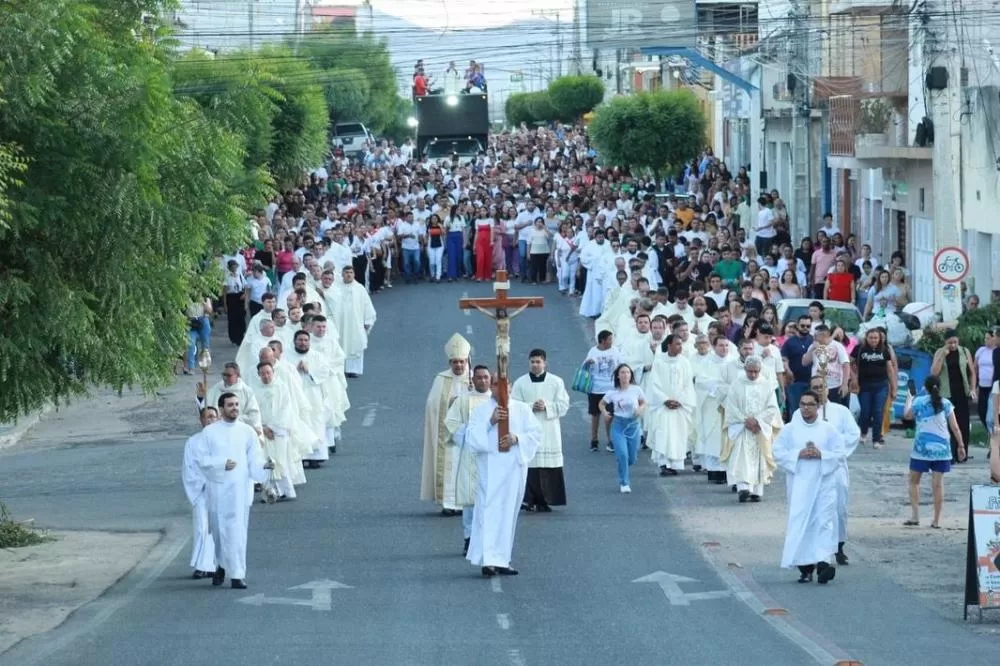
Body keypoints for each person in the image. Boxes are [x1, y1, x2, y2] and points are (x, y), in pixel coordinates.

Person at [194, 393, 274, 589]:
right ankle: (221, 565)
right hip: (218, 490)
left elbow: (254, 460)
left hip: (239, 490)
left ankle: (237, 574)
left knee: (238, 532)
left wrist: (264, 468)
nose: (235, 408)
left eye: (237, 404)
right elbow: (202, 461)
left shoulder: (247, 432)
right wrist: (221, 464)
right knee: (220, 532)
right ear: (221, 409)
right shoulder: (209, 433)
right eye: (230, 405)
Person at [465, 396, 543, 577]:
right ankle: (488, 560)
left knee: (508, 513)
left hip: (513, 469)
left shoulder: (522, 408)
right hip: (490, 468)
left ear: (510, 386)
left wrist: (517, 438)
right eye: (494, 384)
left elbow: (536, 433)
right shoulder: (481, 409)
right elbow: (472, 438)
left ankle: (502, 559)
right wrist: (491, 421)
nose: (499, 388)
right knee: (489, 512)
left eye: (504, 384)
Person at [774, 391, 845, 584]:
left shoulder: (828, 430)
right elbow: (778, 452)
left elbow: (840, 454)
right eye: (802, 404)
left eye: (810, 404)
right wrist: (798, 454)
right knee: (802, 524)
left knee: (823, 522)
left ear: (818, 406)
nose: (805, 408)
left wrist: (822, 455)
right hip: (800, 485)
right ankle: (805, 568)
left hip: (823, 483)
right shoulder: (790, 429)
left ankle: (823, 563)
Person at [803, 376, 860, 566]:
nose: (819, 390)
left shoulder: (841, 412)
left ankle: (839, 546)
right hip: (813, 468)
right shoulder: (804, 413)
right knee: (815, 509)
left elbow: (853, 434)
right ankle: (815, 549)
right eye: (815, 387)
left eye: (822, 387)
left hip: (835, 467)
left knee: (838, 508)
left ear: (828, 389)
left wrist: (831, 449)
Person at [511, 349, 570, 511]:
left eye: (538, 362)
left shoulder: (556, 382)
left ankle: (546, 500)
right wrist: (531, 406)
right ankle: (529, 500)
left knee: (548, 467)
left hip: (549, 428)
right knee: (530, 467)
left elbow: (564, 405)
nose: (535, 365)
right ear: (528, 363)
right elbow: (513, 406)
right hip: (528, 430)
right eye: (532, 362)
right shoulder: (520, 383)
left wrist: (547, 406)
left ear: (545, 363)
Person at [903, 376, 965, 528]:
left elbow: (907, 415)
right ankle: (936, 520)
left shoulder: (919, 402)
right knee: (938, 485)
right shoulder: (946, 403)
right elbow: (955, 427)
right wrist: (961, 445)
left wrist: (910, 398)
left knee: (913, 481)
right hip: (942, 449)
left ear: (925, 386)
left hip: (921, 449)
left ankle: (915, 516)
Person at [422, 333, 473, 516]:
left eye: (461, 362)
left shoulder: (475, 379)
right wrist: (450, 402)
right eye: (455, 362)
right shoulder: (442, 379)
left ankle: (466, 502)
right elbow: (432, 404)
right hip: (449, 432)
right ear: (450, 363)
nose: (458, 365)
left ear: (467, 361)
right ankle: (449, 503)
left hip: (468, 432)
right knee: (450, 467)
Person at [445, 365, 493, 556]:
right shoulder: (463, 401)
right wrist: (470, 434)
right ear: (473, 380)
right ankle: (468, 537)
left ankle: (489, 538)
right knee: (470, 499)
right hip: (470, 454)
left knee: (490, 498)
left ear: (491, 379)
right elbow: (451, 424)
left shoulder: (497, 401)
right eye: (479, 378)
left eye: (486, 377)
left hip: (492, 456)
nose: (482, 381)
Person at [722, 356, 782, 503]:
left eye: (756, 371)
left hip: (759, 428)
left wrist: (757, 421)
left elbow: (772, 407)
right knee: (741, 458)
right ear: (745, 369)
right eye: (750, 371)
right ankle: (743, 488)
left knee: (759, 457)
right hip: (742, 428)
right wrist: (745, 420)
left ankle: (756, 491)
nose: (753, 375)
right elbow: (731, 406)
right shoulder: (737, 384)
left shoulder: (766, 385)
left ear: (760, 370)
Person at [646, 334, 696, 477]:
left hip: (679, 406)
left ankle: (675, 464)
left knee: (677, 435)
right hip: (662, 406)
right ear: (668, 345)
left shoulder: (685, 362)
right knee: (663, 434)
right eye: (677, 344)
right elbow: (654, 384)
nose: (680, 347)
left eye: (681, 344)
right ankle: (664, 464)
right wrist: (665, 400)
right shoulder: (659, 361)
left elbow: (688, 384)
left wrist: (680, 400)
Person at [181, 407, 219, 579]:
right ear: (201, 421)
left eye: (213, 416)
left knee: (217, 529)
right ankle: (201, 565)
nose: (209, 420)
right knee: (202, 528)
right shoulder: (193, 442)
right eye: (206, 417)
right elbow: (188, 469)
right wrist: (202, 483)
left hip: (220, 491)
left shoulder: (223, 440)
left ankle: (216, 565)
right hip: (201, 491)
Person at [599, 364, 647, 493]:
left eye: (627, 372)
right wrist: (604, 413)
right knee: (622, 454)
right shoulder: (612, 392)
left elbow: (643, 402)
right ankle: (624, 482)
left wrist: (640, 409)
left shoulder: (636, 390)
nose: (625, 375)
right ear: (618, 376)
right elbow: (601, 404)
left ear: (630, 375)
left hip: (633, 426)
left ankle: (623, 463)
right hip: (618, 425)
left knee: (631, 458)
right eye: (622, 372)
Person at [930, 330, 976, 463]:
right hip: (946, 393)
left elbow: (972, 372)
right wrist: (943, 356)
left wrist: (973, 388)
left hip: (962, 391)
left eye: (955, 342)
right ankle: (949, 454)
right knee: (949, 425)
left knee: (963, 423)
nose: (953, 345)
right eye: (950, 342)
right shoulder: (940, 352)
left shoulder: (964, 351)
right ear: (945, 342)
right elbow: (934, 373)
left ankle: (962, 453)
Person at [254, 361, 297, 500]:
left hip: (279, 430)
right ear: (258, 375)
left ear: (273, 373)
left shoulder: (282, 388)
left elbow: (285, 410)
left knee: (280, 461)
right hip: (261, 430)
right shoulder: (254, 390)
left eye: (268, 373)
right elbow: (253, 412)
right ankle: (270, 493)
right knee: (265, 462)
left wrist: (272, 427)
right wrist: (262, 427)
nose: (266, 376)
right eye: (262, 373)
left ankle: (286, 491)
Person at [693, 335, 733, 483]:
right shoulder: (707, 363)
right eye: (721, 345)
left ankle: (726, 471)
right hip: (711, 406)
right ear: (714, 347)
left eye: (726, 345)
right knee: (713, 438)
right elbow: (700, 381)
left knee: (726, 438)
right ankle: (713, 471)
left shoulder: (733, 363)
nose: (724, 348)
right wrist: (718, 387)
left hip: (729, 406)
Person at [851, 327, 896, 448]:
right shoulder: (859, 349)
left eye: (876, 338)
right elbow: (850, 363)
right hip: (864, 385)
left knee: (878, 412)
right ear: (866, 338)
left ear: (880, 338)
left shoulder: (884, 349)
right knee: (865, 411)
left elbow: (890, 369)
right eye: (871, 337)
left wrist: (893, 387)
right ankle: (863, 432)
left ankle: (876, 439)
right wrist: (854, 378)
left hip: (881, 385)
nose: (873, 340)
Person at [330, 266, 377, 377]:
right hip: (339, 323)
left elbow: (367, 305)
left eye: (351, 272)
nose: (349, 275)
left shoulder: (359, 288)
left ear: (354, 274)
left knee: (355, 343)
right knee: (340, 343)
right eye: (346, 272)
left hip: (355, 323)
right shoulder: (336, 287)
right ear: (342, 274)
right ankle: (341, 369)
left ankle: (353, 370)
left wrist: (368, 320)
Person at [583, 330, 624, 452]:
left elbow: (622, 365)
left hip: (611, 389)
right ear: (603, 341)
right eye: (610, 339)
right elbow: (584, 367)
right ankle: (594, 440)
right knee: (595, 415)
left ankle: (610, 440)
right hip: (595, 388)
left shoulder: (615, 351)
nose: (612, 342)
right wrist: (588, 363)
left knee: (610, 415)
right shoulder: (593, 351)